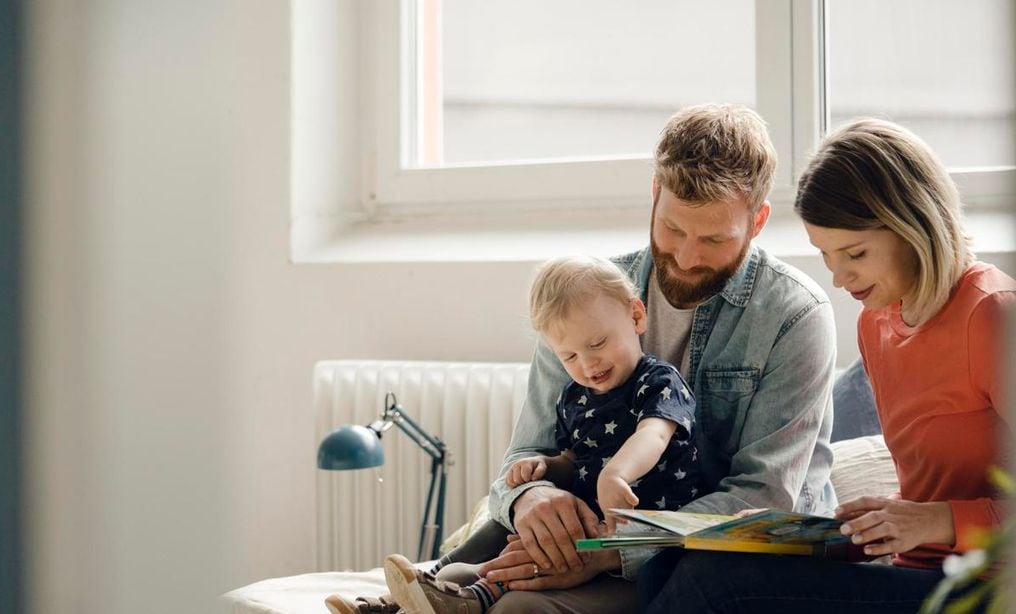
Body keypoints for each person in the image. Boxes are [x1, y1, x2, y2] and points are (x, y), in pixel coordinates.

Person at [329, 103, 839, 614]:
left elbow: (765, 497)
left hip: (714, 558)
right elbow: (524, 458)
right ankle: (425, 592)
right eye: (674, 230)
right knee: (484, 554)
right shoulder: (584, 298)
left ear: (758, 221)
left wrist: (606, 548)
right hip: (598, 525)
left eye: (713, 239)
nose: (686, 258)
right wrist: (532, 502)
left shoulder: (794, 317)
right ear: (654, 195)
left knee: (515, 609)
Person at [640, 118, 1015, 613]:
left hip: (988, 587)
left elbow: (934, 516)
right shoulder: (878, 323)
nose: (840, 279)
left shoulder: (992, 314)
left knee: (718, 582)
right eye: (826, 256)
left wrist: (938, 520)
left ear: (914, 226)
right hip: (915, 569)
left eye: (855, 253)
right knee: (667, 561)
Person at [381, 255, 703, 613]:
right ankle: (411, 592)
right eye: (570, 356)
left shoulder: (658, 380)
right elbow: (573, 460)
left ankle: (474, 596)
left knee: (540, 548)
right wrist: (545, 469)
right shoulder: (573, 397)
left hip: (641, 537)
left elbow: (655, 434)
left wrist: (617, 474)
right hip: (587, 517)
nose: (588, 364)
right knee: (508, 520)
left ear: (636, 316)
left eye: (597, 343)